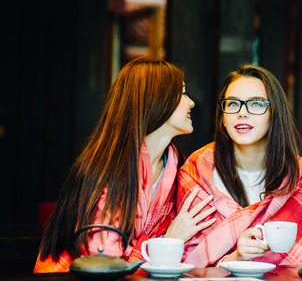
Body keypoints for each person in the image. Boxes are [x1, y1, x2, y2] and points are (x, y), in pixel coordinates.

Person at [34, 57, 216, 273]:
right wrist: (168, 241)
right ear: (157, 100)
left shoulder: (177, 166)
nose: (192, 102)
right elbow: (104, 264)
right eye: (183, 93)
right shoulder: (111, 172)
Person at [177, 64, 302, 267]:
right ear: (223, 118)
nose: (242, 113)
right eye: (233, 104)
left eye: (257, 104)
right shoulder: (196, 171)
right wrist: (235, 259)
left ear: (274, 114)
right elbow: (182, 259)